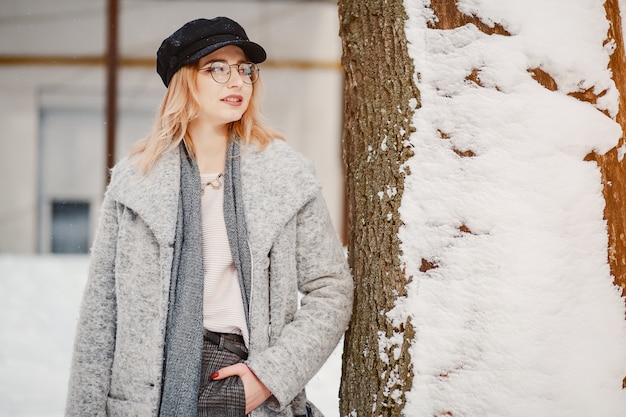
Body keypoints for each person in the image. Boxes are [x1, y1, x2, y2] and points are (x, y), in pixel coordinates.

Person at [65, 16, 353, 417]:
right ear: (184, 81)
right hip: (146, 391)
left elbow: (331, 289)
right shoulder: (134, 183)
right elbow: (101, 315)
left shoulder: (286, 175)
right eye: (217, 68)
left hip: (242, 376)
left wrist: (267, 377)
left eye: (244, 69)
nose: (236, 81)